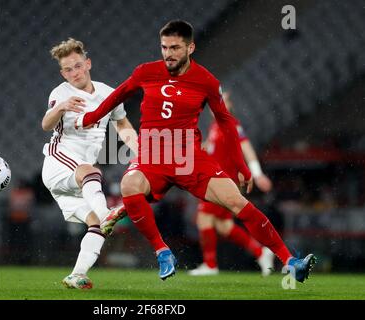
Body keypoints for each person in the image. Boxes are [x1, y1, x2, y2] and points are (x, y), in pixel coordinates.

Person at [75, 20, 316, 282]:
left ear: (191, 47)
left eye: (175, 48)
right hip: (153, 157)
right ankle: (162, 251)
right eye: (164, 47)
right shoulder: (146, 72)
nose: (168, 53)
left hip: (189, 158)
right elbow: (117, 96)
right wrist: (92, 116)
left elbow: (226, 122)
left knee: (237, 202)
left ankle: (290, 261)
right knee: (129, 185)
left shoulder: (206, 81)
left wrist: (242, 167)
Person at [41, 38, 138, 289]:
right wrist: (61, 107)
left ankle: (77, 274)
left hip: (80, 183)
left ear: (88, 63)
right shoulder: (60, 93)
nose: (74, 73)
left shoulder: (108, 93)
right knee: (91, 172)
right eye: (68, 69)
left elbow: (122, 123)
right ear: (63, 73)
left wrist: (141, 151)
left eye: (77, 66)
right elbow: (46, 125)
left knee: (96, 225)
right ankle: (108, 213)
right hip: (58, 164)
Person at [189, 91, 274, 276]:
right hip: (215, 180)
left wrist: (257, 174)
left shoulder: (231, 124)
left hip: (222, 182)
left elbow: (247, 148)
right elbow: (213, 149)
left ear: (229, 106)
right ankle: (261, 253)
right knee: (223, 226)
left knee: (204, 218)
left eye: (222, 101)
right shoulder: (215, 126)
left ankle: (210, 265)